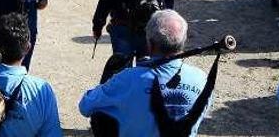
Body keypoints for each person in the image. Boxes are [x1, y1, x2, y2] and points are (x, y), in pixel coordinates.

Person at [79, 10, 212, 137]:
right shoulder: (201, 79)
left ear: (150, 44)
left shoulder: (128, 79)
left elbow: (86, 106)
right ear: (183, 42)